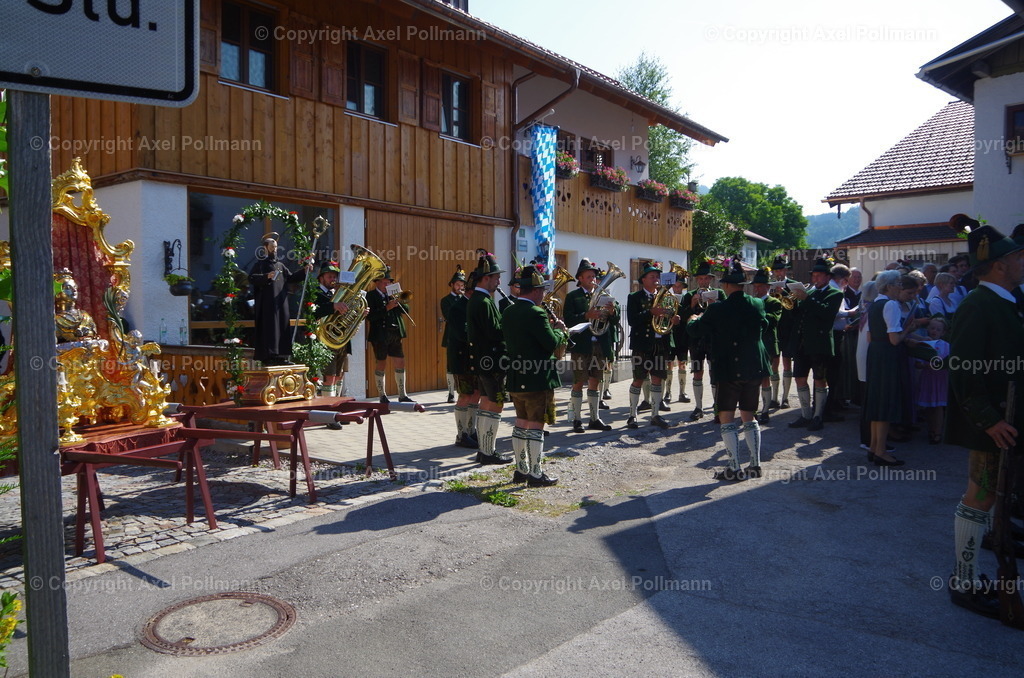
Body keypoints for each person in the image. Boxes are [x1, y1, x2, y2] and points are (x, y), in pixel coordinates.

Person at [945, 223, 1024, 619]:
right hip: (992, 422)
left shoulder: (1007, 299)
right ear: (998, 266)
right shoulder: (978, 305)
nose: (1022, 261)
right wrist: (989, 420)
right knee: (980, 496)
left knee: (992, 495)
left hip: (1008, 418)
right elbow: (962, 371)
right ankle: (964, 579)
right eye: (1016, 257)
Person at [687, 259, 770, 480]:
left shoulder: (717, 309)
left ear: (725, 286)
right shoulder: (757, 304)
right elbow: (765, 325)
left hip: (728, 368)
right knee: (749, 415)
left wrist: (692, 318)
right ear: (744, 284)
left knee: (726, 416)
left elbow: (696, 331)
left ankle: (733, 467)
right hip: (753, 367)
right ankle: (755, 465)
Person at [503, 265, 567, 486]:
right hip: (537, 377)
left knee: (520, 422)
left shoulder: (509, 310)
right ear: (536, 291)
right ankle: (537, 474)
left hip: (515, 376)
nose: (543, 294)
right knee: (536, 424)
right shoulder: (537, 312)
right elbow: (550, 344)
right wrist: (560, 331)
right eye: (541, 290)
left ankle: (521, 470)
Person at [863, 271, 916, 466]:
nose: (900, 287)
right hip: (886, 355)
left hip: (875, 354)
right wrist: (908, 330)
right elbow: (895, 340)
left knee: (877, 402)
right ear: (890, 286)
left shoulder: (875, 303)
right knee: (885, 403)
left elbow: (869, 336)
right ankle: (881, 451)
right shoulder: (891, 304)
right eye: (898, 284)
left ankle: (874, 447)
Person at [787, 257, 844, 432]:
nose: (816, 279)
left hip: (820, 344)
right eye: (814, 276)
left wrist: (806, 299)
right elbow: (797, 315)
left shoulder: (835, 294)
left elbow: (826, 314)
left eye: (820, 276)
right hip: (802, 343)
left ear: (828, 277)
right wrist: (792, 300)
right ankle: (805, 414)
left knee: (820, 380)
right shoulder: (809, 292)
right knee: (799, 378)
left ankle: (818, 416)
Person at [467, 252, 511, 465]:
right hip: (492, 360)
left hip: (485, 360)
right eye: (496, 277)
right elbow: (494, 332)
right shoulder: (483, 301)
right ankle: (488, 451)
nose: (499, 281)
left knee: (486, 403)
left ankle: (484, 449)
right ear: (485, 278)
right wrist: (511, 322)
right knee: (495, 404)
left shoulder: (480, 299)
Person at [563, 258, 616, 433]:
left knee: (596, 381)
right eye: (588, 276)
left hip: (599, 344)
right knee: (578, 382)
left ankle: (594, 418)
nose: (593, 279)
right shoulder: (573, 296)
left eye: (593, 276)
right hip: (582, 345)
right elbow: (569, 320)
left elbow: (614, 322)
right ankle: (577, 419)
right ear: (580, 278)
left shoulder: (603, 295)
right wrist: (587, 314)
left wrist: (611, 312)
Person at [625, 262, 678, 429]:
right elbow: (632, 320)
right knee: (639, 379)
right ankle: (632, 415)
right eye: (652, 277)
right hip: (642, 344)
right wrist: (650, 312)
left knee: (657, 379)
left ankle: (655, 415)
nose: (656, 279)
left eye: (657, 277)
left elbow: (670, 316)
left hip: (660, 343)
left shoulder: (666, 297)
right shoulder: (634, 297)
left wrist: (674, 320)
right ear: (643, 280)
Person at [249, 232, 312, 366]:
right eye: (272, 247)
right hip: (267, 304)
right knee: (270, 329)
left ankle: (282, 356)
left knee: (283, 327)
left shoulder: (280, 266)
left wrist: (304, 271)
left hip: (281, 302)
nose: (275, 250)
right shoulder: (260, 265)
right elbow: (252, 278)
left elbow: (291, 278)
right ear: (265, 248)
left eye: (276, 247)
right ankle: (269, 356)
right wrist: (266, 276)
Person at [310, 261, 359, 413]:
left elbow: (346, 315)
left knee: (339, 376)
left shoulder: (338, 294)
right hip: (326, 341)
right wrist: (332, 306)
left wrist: (359, 314)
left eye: (335, 276)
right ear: (321, 277)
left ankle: (337, 408)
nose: (333, 279)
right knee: (329, 376)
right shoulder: (315, 292)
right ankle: (328, 412)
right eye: (329, 275)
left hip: (341, 341)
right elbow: (313, 311)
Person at [679, 260, 725, 420]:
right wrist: (692, 305)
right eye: (701, 279)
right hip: (696, 341)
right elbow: (683, 319)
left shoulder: (719, 293)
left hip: (713, 340)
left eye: (706, 279)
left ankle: (717, 407)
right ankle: (698, 407)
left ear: (711, 279)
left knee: (715, 372)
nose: (704, 281)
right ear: (697, 280)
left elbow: (726, 315)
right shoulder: (689, 295)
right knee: (697, 372)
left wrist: (715, 305)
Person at [366, 265, 414, 404]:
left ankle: (402, 394)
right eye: (385, 282)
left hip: (395, 333)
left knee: (400, 361)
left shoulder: (393, 294)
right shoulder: (371, 295)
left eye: (389, 282)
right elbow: (371, 317)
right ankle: (382, 395)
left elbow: (406, 310)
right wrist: (387, 307)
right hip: (380, 334)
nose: (388, 284)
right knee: (381, 362)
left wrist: (399, 301)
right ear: (378, 282)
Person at [448, 270, 481, 449]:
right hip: (462, 358)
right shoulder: (458, 307)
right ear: (471, 291)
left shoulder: (475, 305)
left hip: (474, 358)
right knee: (465, 395)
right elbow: (462, 334)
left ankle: (471, 430)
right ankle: (461, 435)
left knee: (475, 393)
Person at [750, 267, 782, 425]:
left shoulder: (774, 302)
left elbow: (773, 320)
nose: (757, 289)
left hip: (768, 345)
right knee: (754, 379)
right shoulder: (752, 301)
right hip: (754, 344)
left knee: (765, 378)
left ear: (768, 287)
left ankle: (765, 410)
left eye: (760, 286)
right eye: (755, 286)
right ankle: (754, 409)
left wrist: (757, 311)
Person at [915, 316, 950, 445]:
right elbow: (917, 363)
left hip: (940, 378)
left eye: (938, 329)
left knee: (939, 406)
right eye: (932, 328)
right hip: (928, 377)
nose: (935, 331)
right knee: (929, 406)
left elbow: (949, 362)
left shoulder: (947, 346)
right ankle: (930, 430)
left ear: (943, 332)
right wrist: (925, 365)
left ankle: (938, 432)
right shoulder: (924, 344)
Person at [770, 255, 797, 408]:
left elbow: (795, 307)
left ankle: (785, 397)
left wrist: (784, 293)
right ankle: (774, 397)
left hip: (788, 327)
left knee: (787, 362)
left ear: (786, 270)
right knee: (774, 362)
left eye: (781, 269)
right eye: (776, 270)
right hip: (774, 328)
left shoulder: (793, 285)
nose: (779, 272)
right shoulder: (769, 286)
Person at [440, 265, 467, 404]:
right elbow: (450, 316)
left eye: (462, 285)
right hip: (451, 336)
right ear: (452, 285)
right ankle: (451, 393)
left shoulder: (466, 300)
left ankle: (463, 390)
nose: (460, 287)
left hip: (465, 336)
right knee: (450, 365)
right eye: (457, 284)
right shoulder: (446, 300)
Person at [666, 270, 691, 405]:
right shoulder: (667, 298)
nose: (677, 288)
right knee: (669, 364)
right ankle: (668, 392)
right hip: (670, 334)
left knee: (682, 363)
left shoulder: (686, 299)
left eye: (679, 286)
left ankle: (682, 392)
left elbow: (688, 315)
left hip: (682, 335)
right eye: (675, 286)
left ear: (682, 287)